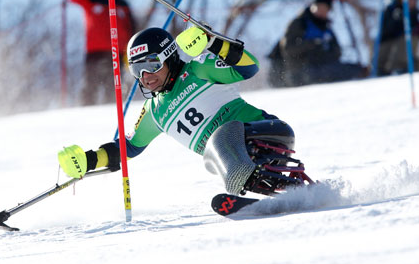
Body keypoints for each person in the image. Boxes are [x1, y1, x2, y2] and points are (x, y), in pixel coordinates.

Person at [57, 26, 308, 197]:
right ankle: (292, 192)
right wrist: (89, 160)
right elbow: (129, 148)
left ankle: (237, 177)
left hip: (268, 134)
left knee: (218, 140)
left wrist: (212, 41)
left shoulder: (198, 69)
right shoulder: (154, 111)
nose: (146, 76)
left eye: (152, 65)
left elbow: (250, 67)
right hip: (240, 163)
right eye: (137, 70)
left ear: (169, 57)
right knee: (211, 156)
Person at [60, 0, 137, 105]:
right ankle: (87, 111)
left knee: (113, 86)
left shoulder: (123, 5)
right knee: (91, 84)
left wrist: (129, 52)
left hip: (116, 52)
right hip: (94, 52)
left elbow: (131, 29)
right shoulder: (91, 1)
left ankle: (112, 111)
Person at [268, 0, 366, 87]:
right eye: (318, 7)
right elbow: (289, 49)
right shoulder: (299, 23)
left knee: (353, 69)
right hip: (298, 72)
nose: (321, 11)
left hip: (321, 68)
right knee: (328, 73)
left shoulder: (326, 28)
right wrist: (313, 44)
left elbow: (337, 52)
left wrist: (324, 53)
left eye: (325, 9)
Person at [376, 0, 419, 76]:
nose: (410, 2)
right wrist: (401, 22)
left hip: (405, 58)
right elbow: (388, 30)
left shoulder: (413, 14)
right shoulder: (392, 11)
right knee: (409, 37)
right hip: (387, 56)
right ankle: (398, 68)